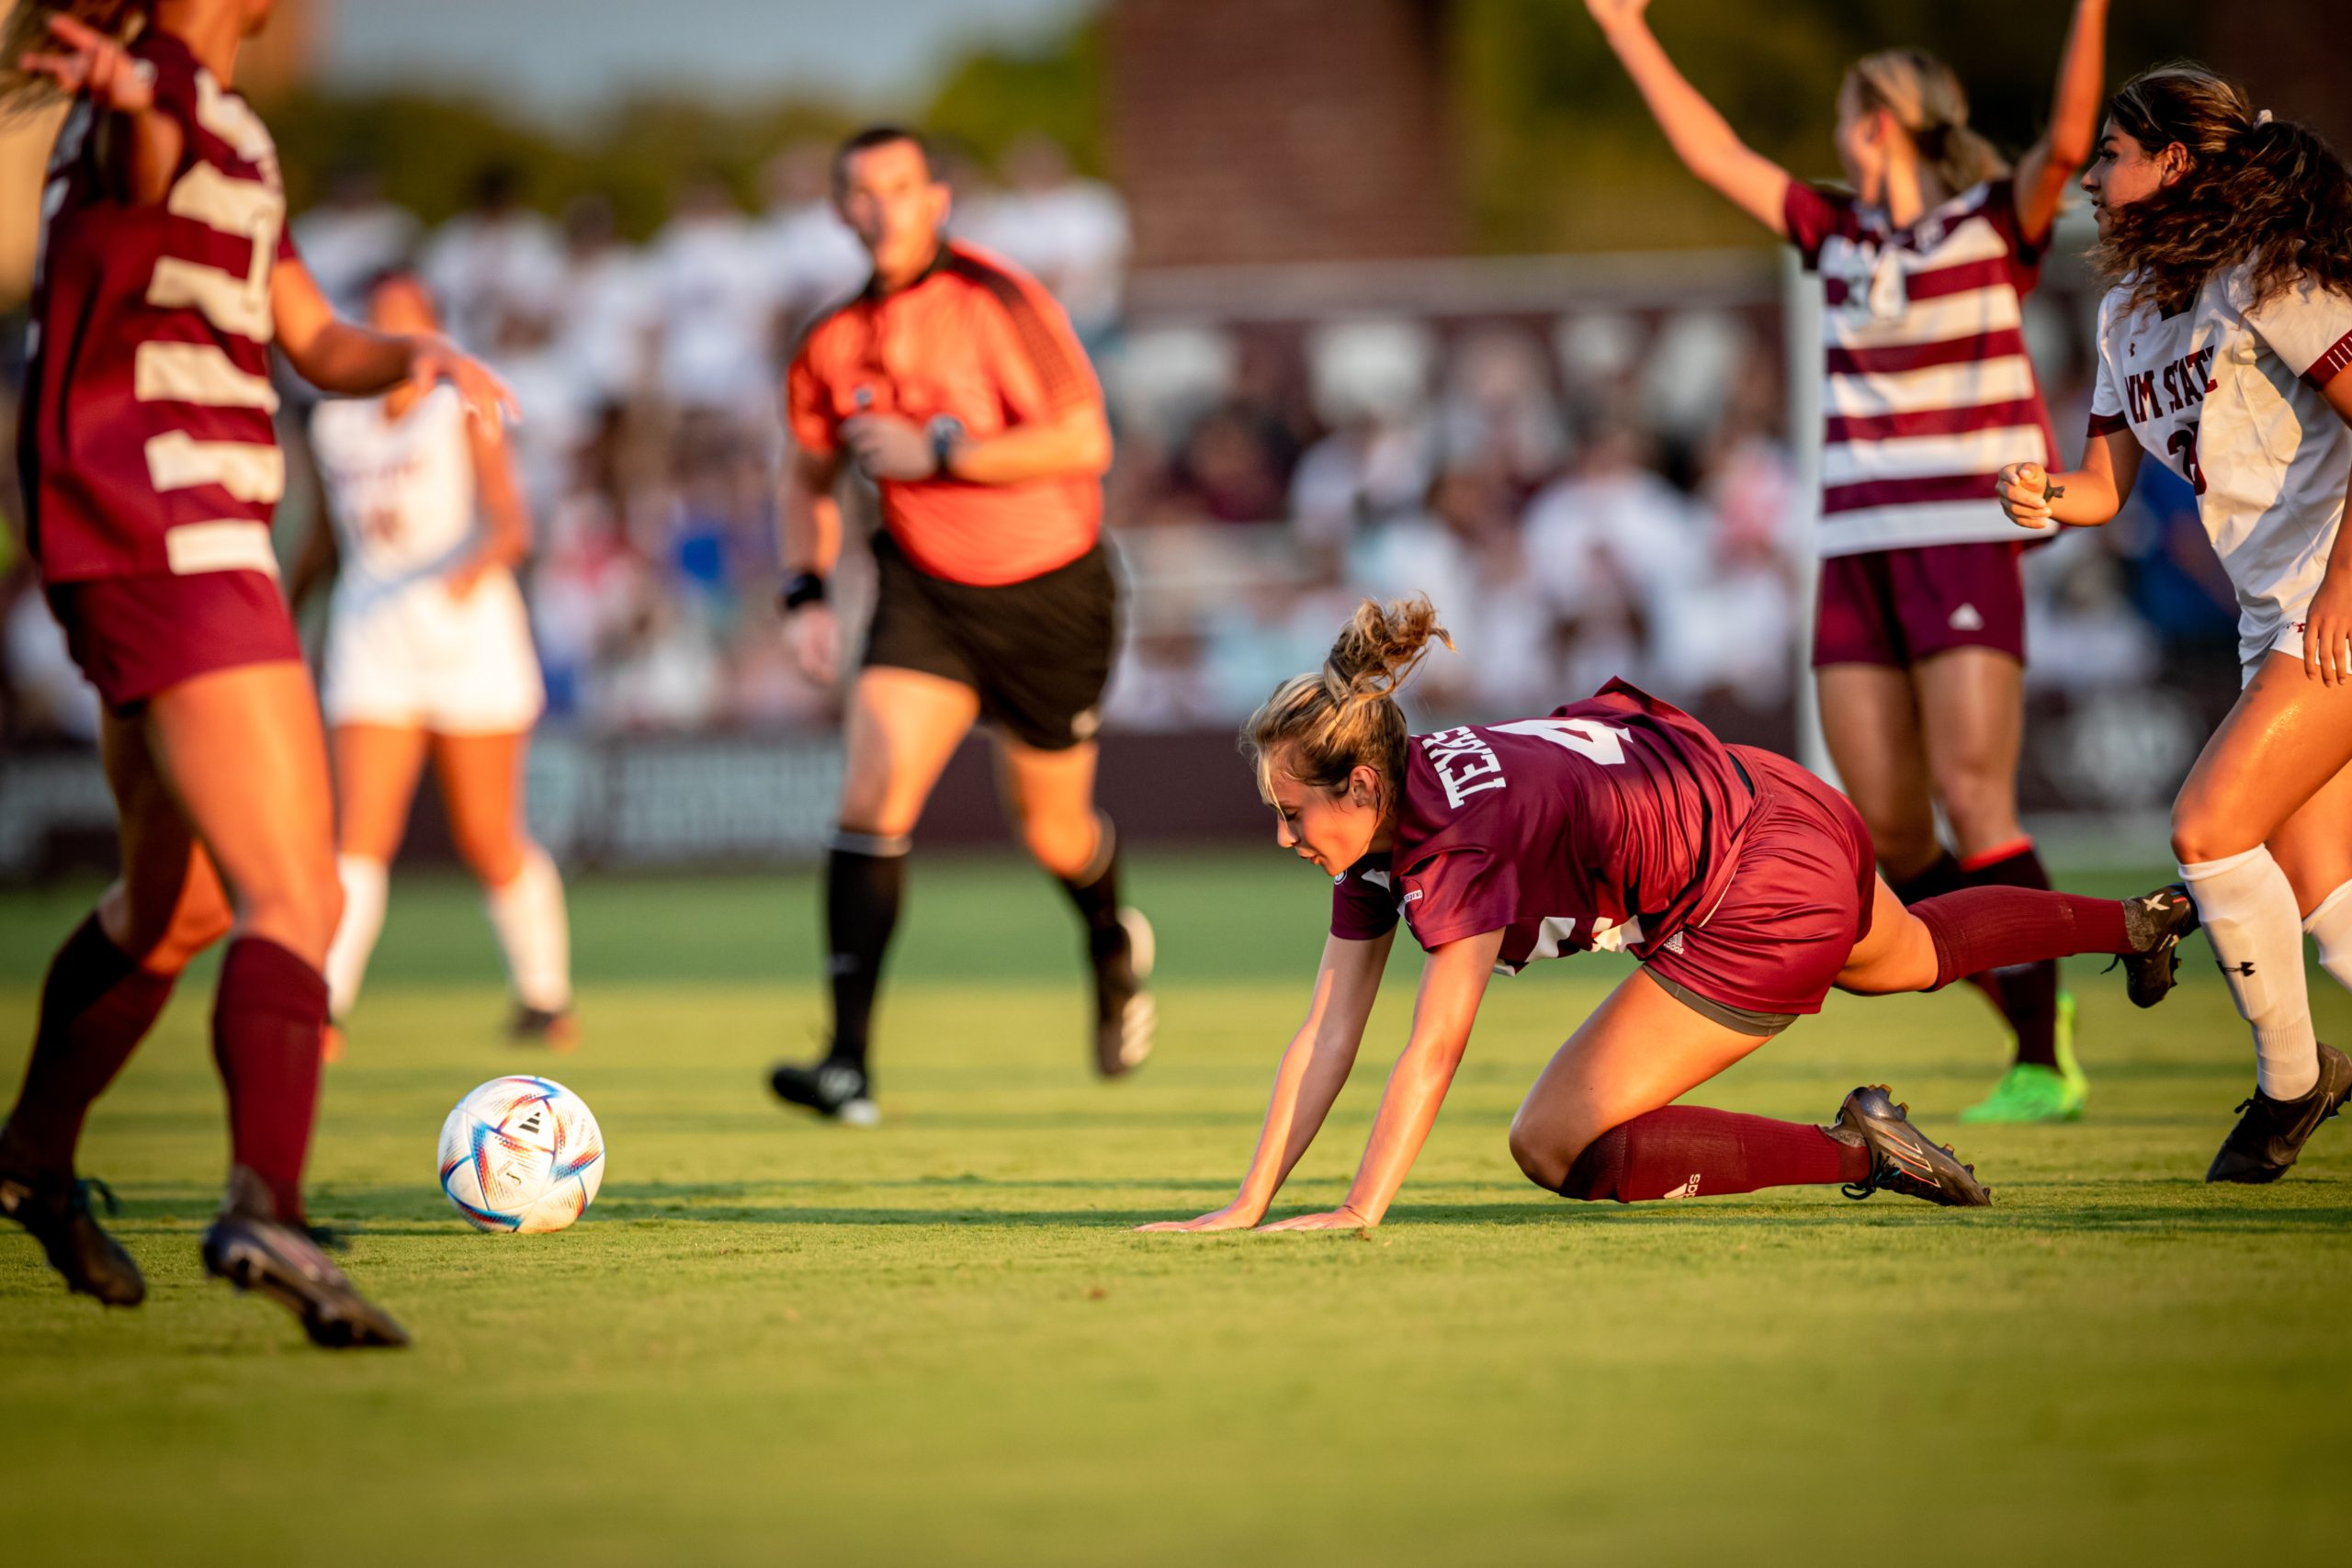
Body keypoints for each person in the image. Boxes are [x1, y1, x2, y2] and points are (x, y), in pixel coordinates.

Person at [0, 0, 510, 1347]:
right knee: (301, 886)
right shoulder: (163, 98)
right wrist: (130, 95)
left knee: (173, 907)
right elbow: (142, 158)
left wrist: (416, 354)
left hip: (127, 539)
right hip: (180, 527)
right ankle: (264, 1203)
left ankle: (31, 1159)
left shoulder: (215, 116)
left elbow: (312, 336)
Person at [1141, 598, 2196, 1233]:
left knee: (1552, 1143)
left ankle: (1858, 1152)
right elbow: (1329, 1029)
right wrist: (1249, 1201)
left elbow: (1433, 1048)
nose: (1282, 836)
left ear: (1360, 787)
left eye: (1289, 813)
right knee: (1910, 954)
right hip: (1771, 792)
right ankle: (2133, 924)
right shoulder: (1388, 809)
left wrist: (1360, 1207)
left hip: (1757, 883)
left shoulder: (1442, 844)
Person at [1588, 0, 2109, 1124]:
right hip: (1858, 551)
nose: (1833, 132)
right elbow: (1711, 153)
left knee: (1976, 796)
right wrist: (1624, 27)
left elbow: (2066, 145)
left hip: (1964, 541)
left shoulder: (1987, 222)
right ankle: (2025, 998)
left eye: (1844, 114)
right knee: (1888, 828)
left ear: (1882, 121)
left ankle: (2039, 1057)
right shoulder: (1831, 232)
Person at [1996, 65, 2352, 1183]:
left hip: (2334, 593)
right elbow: (2101, 491)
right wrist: (2038, 496)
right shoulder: (2122, 314)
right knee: (2323, 895)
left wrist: (2342, 590)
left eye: (2111, 154)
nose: (2093, 177)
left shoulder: (2270, 276)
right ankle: (2304, 1077)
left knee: (2203, 831)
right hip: (2274, 610)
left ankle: (2291, 1085)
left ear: (2175, 162)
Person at [767, 125, 1151, 1124]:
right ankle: (847, 1064)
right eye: (862, 191)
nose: (883, 207)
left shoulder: (1000, 297)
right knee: (872, 794)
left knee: (1054, 831)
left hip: (1050, 592)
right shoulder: (828, 340)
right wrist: (805, 589)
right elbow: (806, 475)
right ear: (841, 211)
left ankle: (1110, 942)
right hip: (923, 590)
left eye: (901, 186)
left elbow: (1083, 437)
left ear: (936, 199)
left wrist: (937, 447)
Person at [291, 272, 573, 1058]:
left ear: (434, 333)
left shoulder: (460, 407)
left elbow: (511, 522)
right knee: (359, 832)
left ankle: (546, 996)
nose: (390, 338)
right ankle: (325, 1006)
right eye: (375, 323)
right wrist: (282, 612)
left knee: (488, 835)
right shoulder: (332, 422)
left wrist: (469, 569)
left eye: (405, 323)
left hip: (468, 636)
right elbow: (324, 538)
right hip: (372, 633)